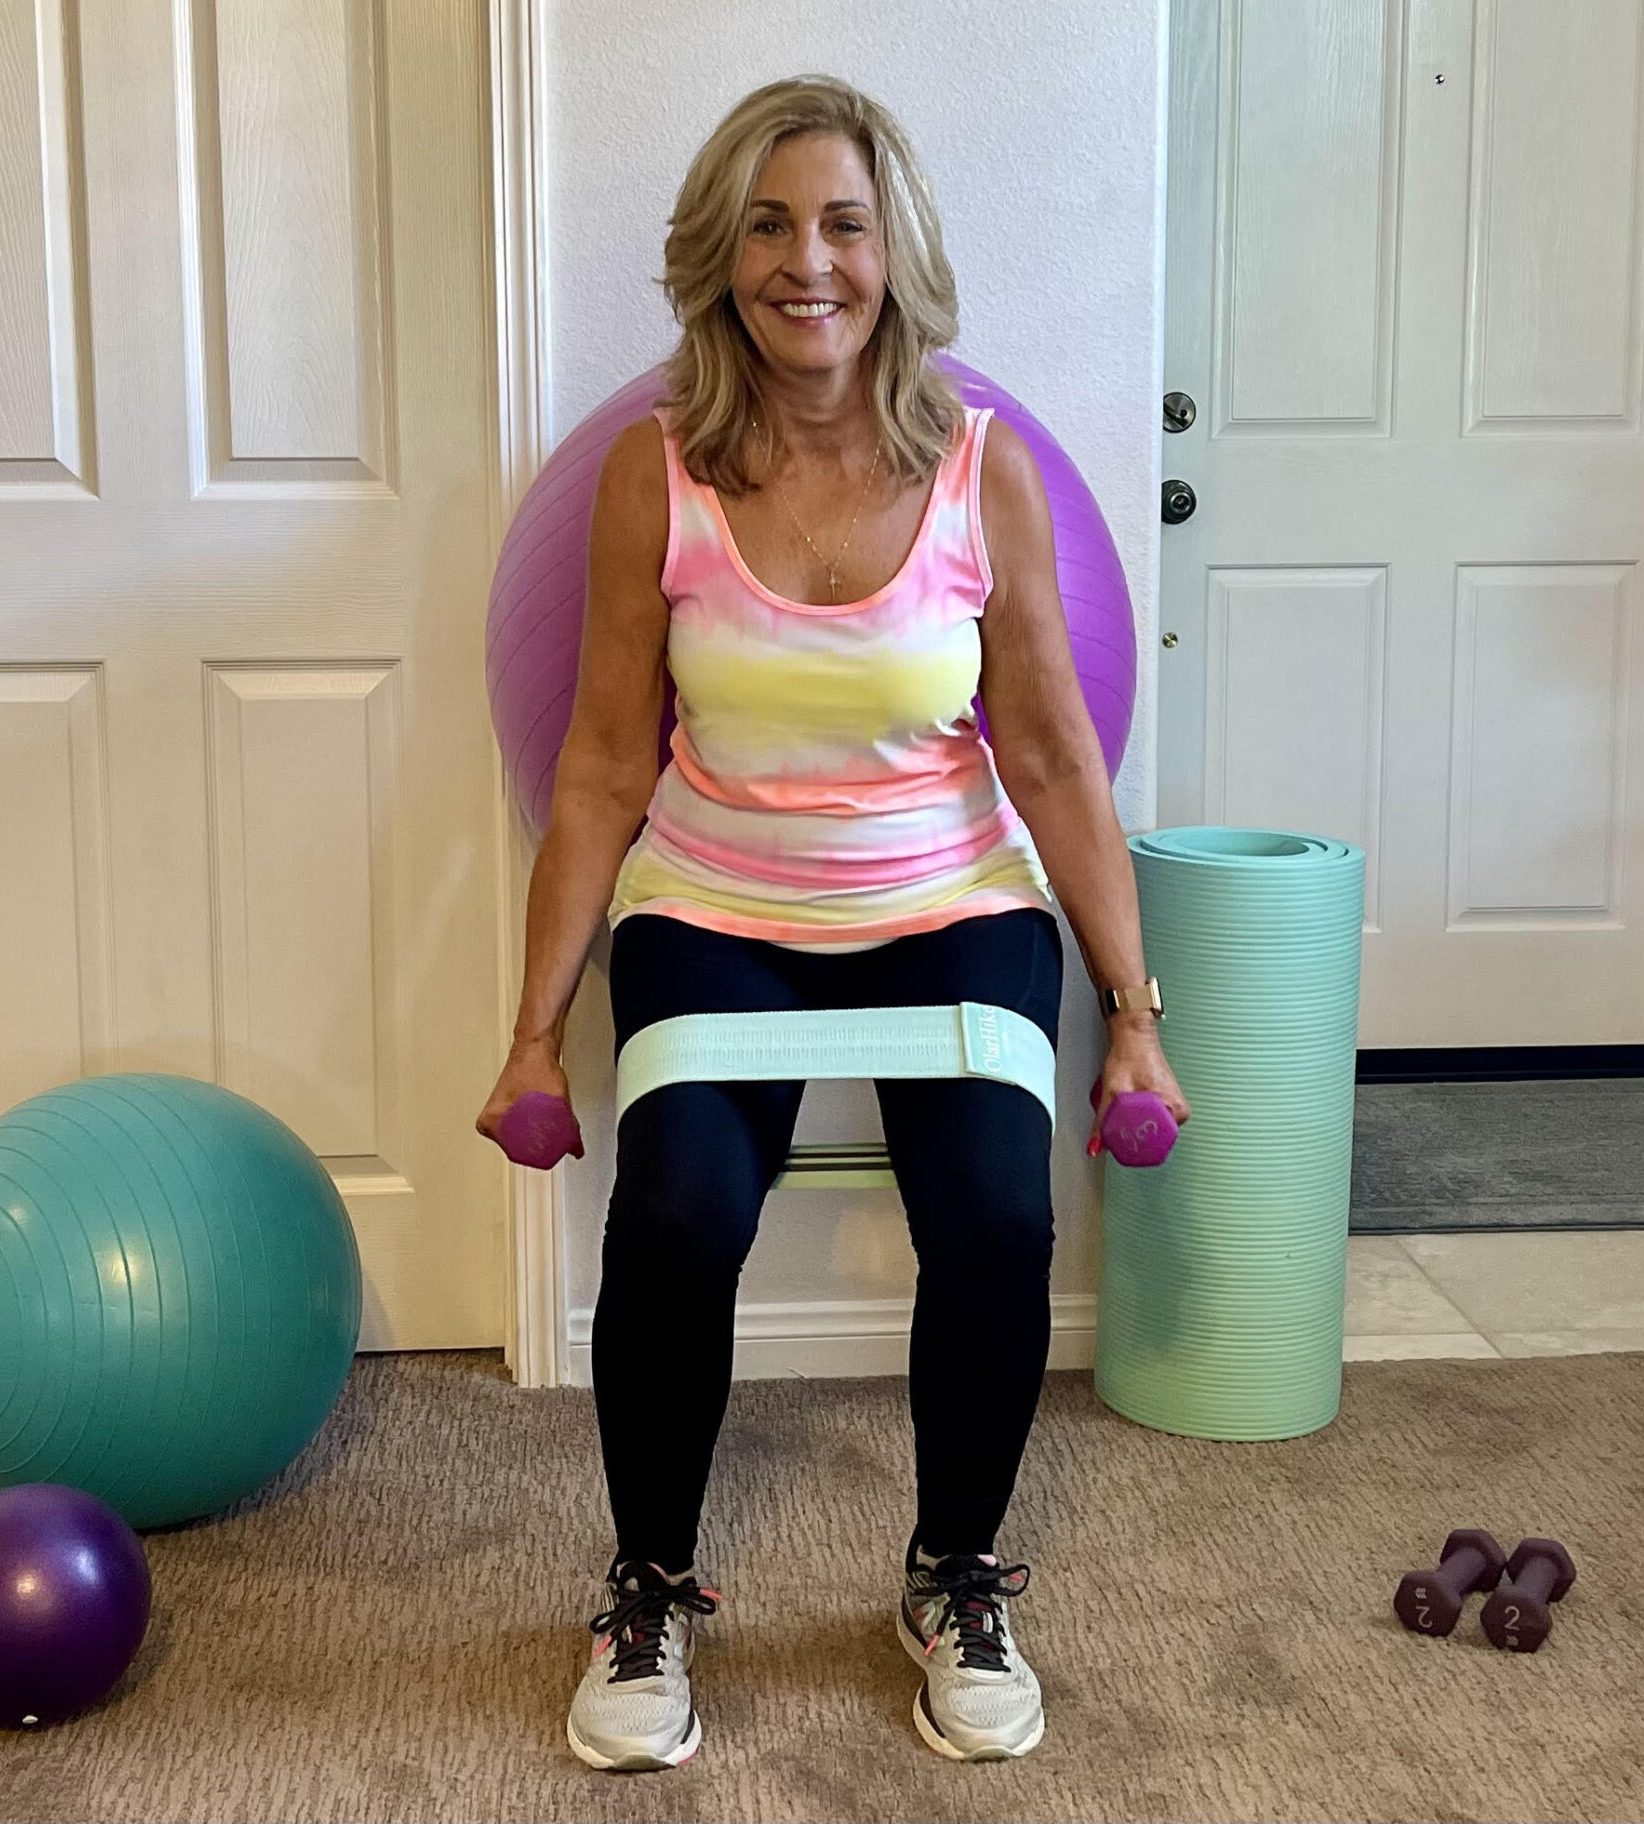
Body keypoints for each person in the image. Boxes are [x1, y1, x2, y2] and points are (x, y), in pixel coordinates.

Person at [477, 73, 1190, 1770]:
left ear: (898, 251)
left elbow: (1053, 756)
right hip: (720, 900)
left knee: (997, 1224)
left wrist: (1135, 1008)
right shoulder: (659, 476)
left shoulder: (982, 473)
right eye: (772, 224)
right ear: (723, 255)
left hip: (947, 900)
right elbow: (596, 763)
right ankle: (647, 1581)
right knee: (679, 1218)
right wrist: (528, 1030)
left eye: (845, 224)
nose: (810, 262)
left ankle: (954, 1574)